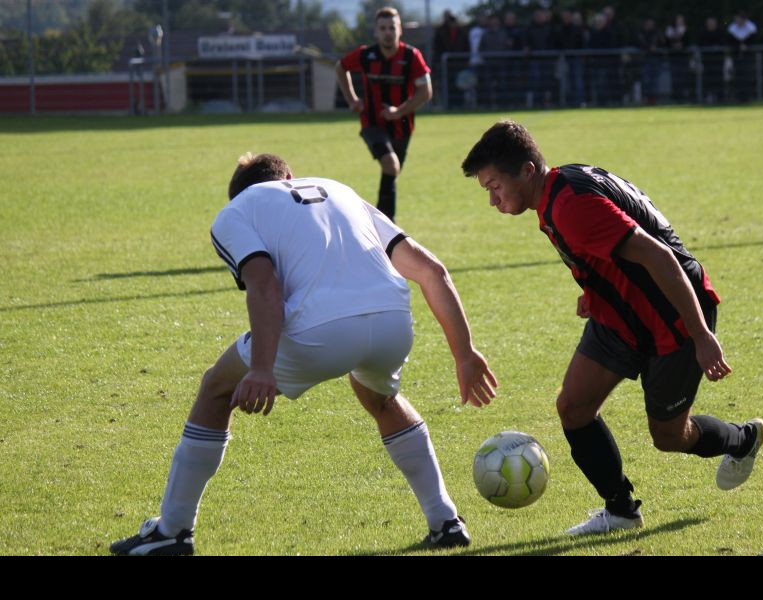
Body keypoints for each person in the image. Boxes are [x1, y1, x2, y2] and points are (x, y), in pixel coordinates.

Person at [110, 153, 498, 555]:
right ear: (289, 177)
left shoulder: (235, 212)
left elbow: (265, 286)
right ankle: (445, 520)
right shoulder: (340, 190)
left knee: (216, 389)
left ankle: (172, 530)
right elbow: (432, 271)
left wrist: (262, 368)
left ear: (240, 193)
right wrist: (464, 353)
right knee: (380, 398)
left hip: (320, 331)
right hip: (391, 320)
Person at [461, 121, 763, 535]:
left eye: (494, 186)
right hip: (619, 315)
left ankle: (740, 439)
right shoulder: (557, 191)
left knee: (670, 436)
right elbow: (614, 249)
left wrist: (699, 334)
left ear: (527, 172)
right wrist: (595, 287)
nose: (493, 200)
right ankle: (621, 510)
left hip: (671, 317)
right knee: (573, 407)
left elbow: (660, 257)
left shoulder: (570, 205)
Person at [335, 7, 432, 222]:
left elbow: (426, 92)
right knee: (391, 165)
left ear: (400, 30)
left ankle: (381, 224)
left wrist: (399, 111)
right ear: (376, 32)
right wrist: (352, 100)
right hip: (372, 123)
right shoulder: (366, 55)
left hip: (403, 126)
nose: (388, 32)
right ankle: (385, 225)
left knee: (392, 173)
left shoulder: (411, 57)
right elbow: (340, 68)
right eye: (383, 28)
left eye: (392, 27)